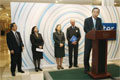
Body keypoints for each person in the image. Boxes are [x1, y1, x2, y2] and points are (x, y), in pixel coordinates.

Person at [84, 7, 103, 73]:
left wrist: (97, 34)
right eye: (94, 12)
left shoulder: (99, 20)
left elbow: (101, 29)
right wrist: (92, 34)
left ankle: (95, 67)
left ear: (98, 13)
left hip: (96, 41)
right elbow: (85, 29)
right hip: (89, 40)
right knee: (87, 54)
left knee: (96, 55)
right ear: (92, 12)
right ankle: (86, 68)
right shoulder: (87, 20)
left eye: (97, 12)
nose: (95, 13)